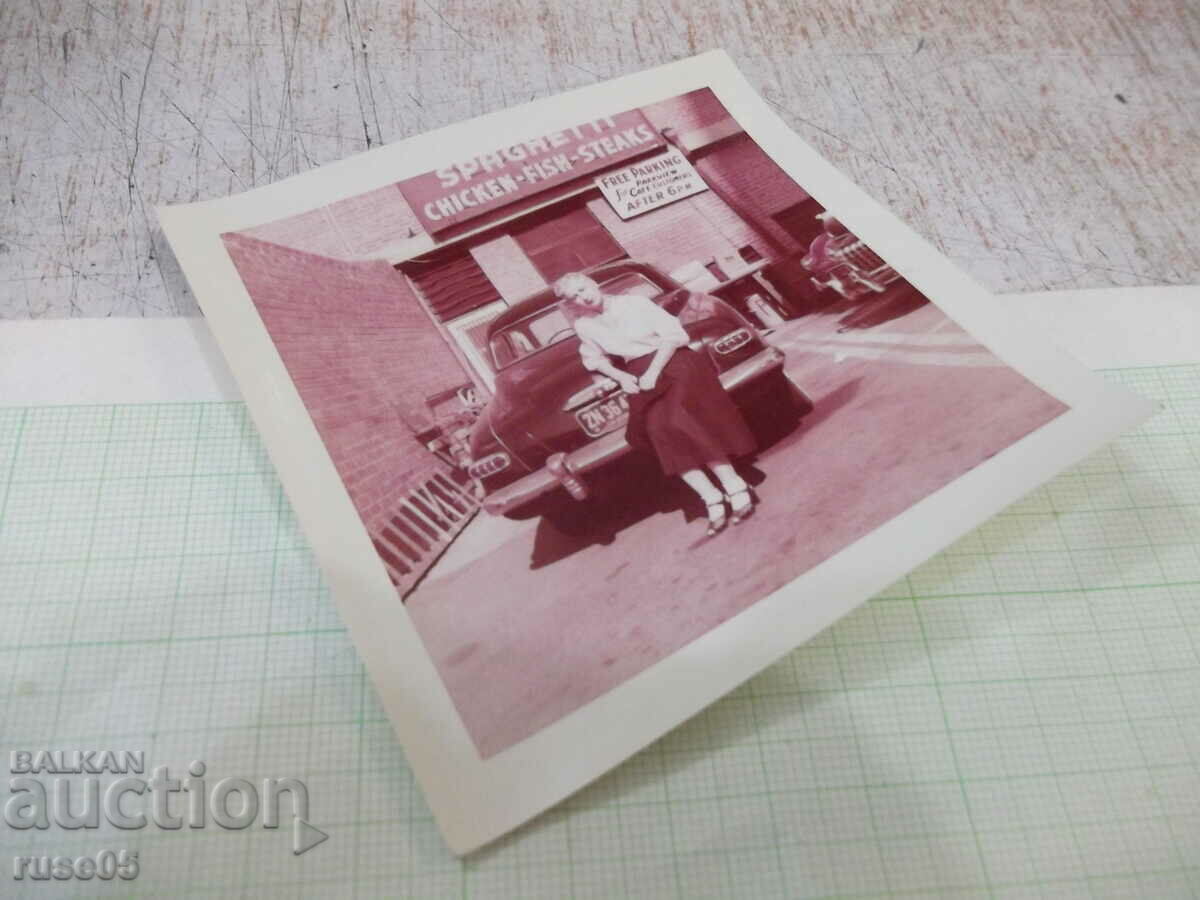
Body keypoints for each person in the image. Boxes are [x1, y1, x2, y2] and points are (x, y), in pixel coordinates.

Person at [552, 272, 758, 536]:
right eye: (575, 296)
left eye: (583, 288)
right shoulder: (585, 325)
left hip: (676, 363)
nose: (584, 296)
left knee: (678, 422)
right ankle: (711, 497)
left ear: (594, 283)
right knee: (658, 432)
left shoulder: (634, 304)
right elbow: (593, 358)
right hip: (640, 375)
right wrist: (622, 376)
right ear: (572, 304)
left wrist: (652, 373)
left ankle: (735, 485)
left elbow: (674, 336)